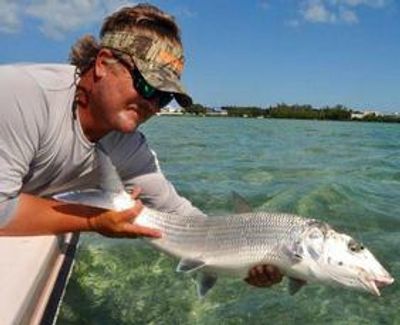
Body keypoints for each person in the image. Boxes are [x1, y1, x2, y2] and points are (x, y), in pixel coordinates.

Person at [0, 4, 282, 287]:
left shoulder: (128, 145)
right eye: (148, 85)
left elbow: (177, 212)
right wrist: (93, 222)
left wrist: (242, 255)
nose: (152, 105)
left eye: (164, 97)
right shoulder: (19, 95)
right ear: (103, 62)